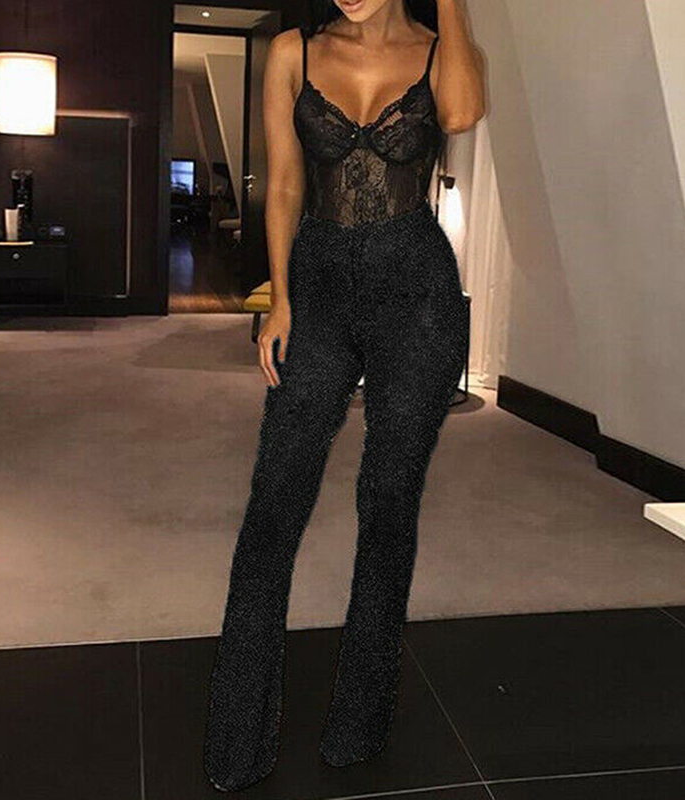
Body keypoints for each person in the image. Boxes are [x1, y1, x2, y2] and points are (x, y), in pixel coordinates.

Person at [203, 0, 485, 791]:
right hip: (318, 286)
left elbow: (461, 113)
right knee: (275, 499)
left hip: (418, 293)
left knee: (388, 502)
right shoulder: (293, 50)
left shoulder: (438, 49)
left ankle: (360, 721)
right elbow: (286, 185)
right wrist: (280, 300)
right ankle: (237, 734)